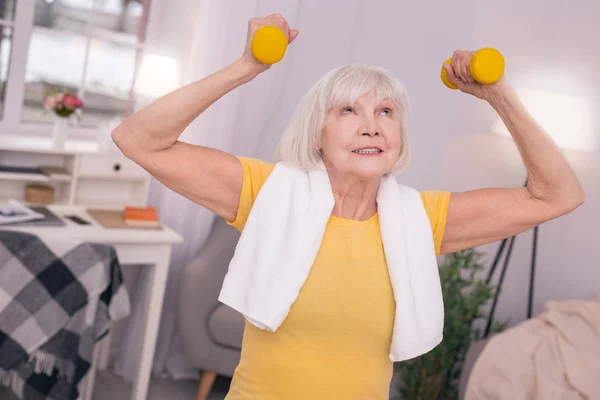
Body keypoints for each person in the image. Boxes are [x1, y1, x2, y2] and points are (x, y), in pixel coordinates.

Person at [112, 13, 585, 400]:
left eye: (385, 112)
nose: (371, 126)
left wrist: (498, 95)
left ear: (398, 137)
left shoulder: (421, 221)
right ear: (316, 134)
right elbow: (139, 140)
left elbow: (558, 195)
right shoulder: (268, 193)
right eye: (348, 111)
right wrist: (247, 66)